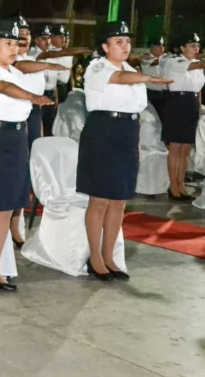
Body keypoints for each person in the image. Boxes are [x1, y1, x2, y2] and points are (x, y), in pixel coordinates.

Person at [78, 21, 172, 281]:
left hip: (127, 132)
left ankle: (109, 256)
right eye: (118, 41)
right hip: (103, 131)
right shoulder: (97, 67)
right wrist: (149, 77)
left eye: (128, 41)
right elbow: (118, 79)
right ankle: (94, 257)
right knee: (100, 199)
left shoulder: (132, 68)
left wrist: (137, 141)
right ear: (105, 46)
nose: (125, 45)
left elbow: (136, 107)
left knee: (119, 200)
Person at [0, 19, 53, 294]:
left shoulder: (16, 72)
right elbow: (3, 89)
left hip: (17, 138)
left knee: (6, 208)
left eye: (16, 44)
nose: (13, 48)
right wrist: (32, 96)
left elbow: (16, 84)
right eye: (7, 43)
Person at [12, 17, 69, 247]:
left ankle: (17, 215)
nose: (24, 37)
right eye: (19, 34)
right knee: (15, 169)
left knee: (28, 164)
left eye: (26, 33)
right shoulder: (7, 64)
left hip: (34, 114)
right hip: (15, 116)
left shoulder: (34, 60)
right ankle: (12, 221)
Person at [160, 33, 204, 201]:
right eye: (192, 46)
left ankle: (181, 185)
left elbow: (197, 89)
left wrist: (198, 108)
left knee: (185, 149)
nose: (196, 49)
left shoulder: (197, 65)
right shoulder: (175, 61)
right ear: (181, 48)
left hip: (190, 104)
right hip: (176, 103)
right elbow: (195, 66)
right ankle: (173, 186)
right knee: (175, 147)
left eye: (197, 46)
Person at [140, 37, 167, 121]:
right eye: (159, 46)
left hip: (165, 94)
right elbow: (156, 62)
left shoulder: (165, 58)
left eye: (163, 46)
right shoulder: (145, 59)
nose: (162, 48)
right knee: (152, 120)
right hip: (151, 94)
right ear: (152, 47)